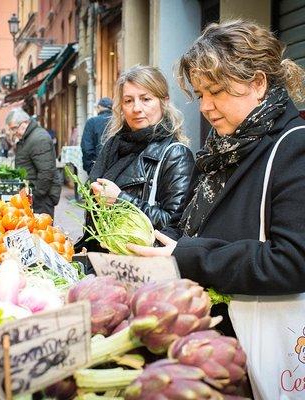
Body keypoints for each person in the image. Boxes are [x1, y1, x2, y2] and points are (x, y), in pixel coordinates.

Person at [128, 21, 305, 336]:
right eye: (200, 94)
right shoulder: (223, 149)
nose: (206, 107)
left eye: (217, 92)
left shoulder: (294, 147)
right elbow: (194, 228)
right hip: (212, 335)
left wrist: (191, 256)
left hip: (260, 344)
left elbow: (292, 262)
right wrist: (145, 242)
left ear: (259, 84)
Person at [77, 65, 194, 252]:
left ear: (164, 101)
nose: (136, 108)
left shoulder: (176, 155)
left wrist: (120, 199)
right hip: (105, 260)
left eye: (146, 99)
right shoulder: (113, 147)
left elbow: (175, 225)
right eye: (128, 101)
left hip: (141, 267)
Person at [5, 108, 62, 217]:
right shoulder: (29, 137)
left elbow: (46, 171)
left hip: (42, 197)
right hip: (36, 194)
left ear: (25, 122)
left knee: (42, 230)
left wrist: (36, 195)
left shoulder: (39, 139)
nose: (13, 132)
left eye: (14, 128)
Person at [81, 97, 113, 173]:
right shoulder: (117, 121)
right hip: (115, 167)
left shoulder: (92, 122)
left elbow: (86, 147)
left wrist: (90, 166)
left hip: (96, 166)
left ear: (99, 107)